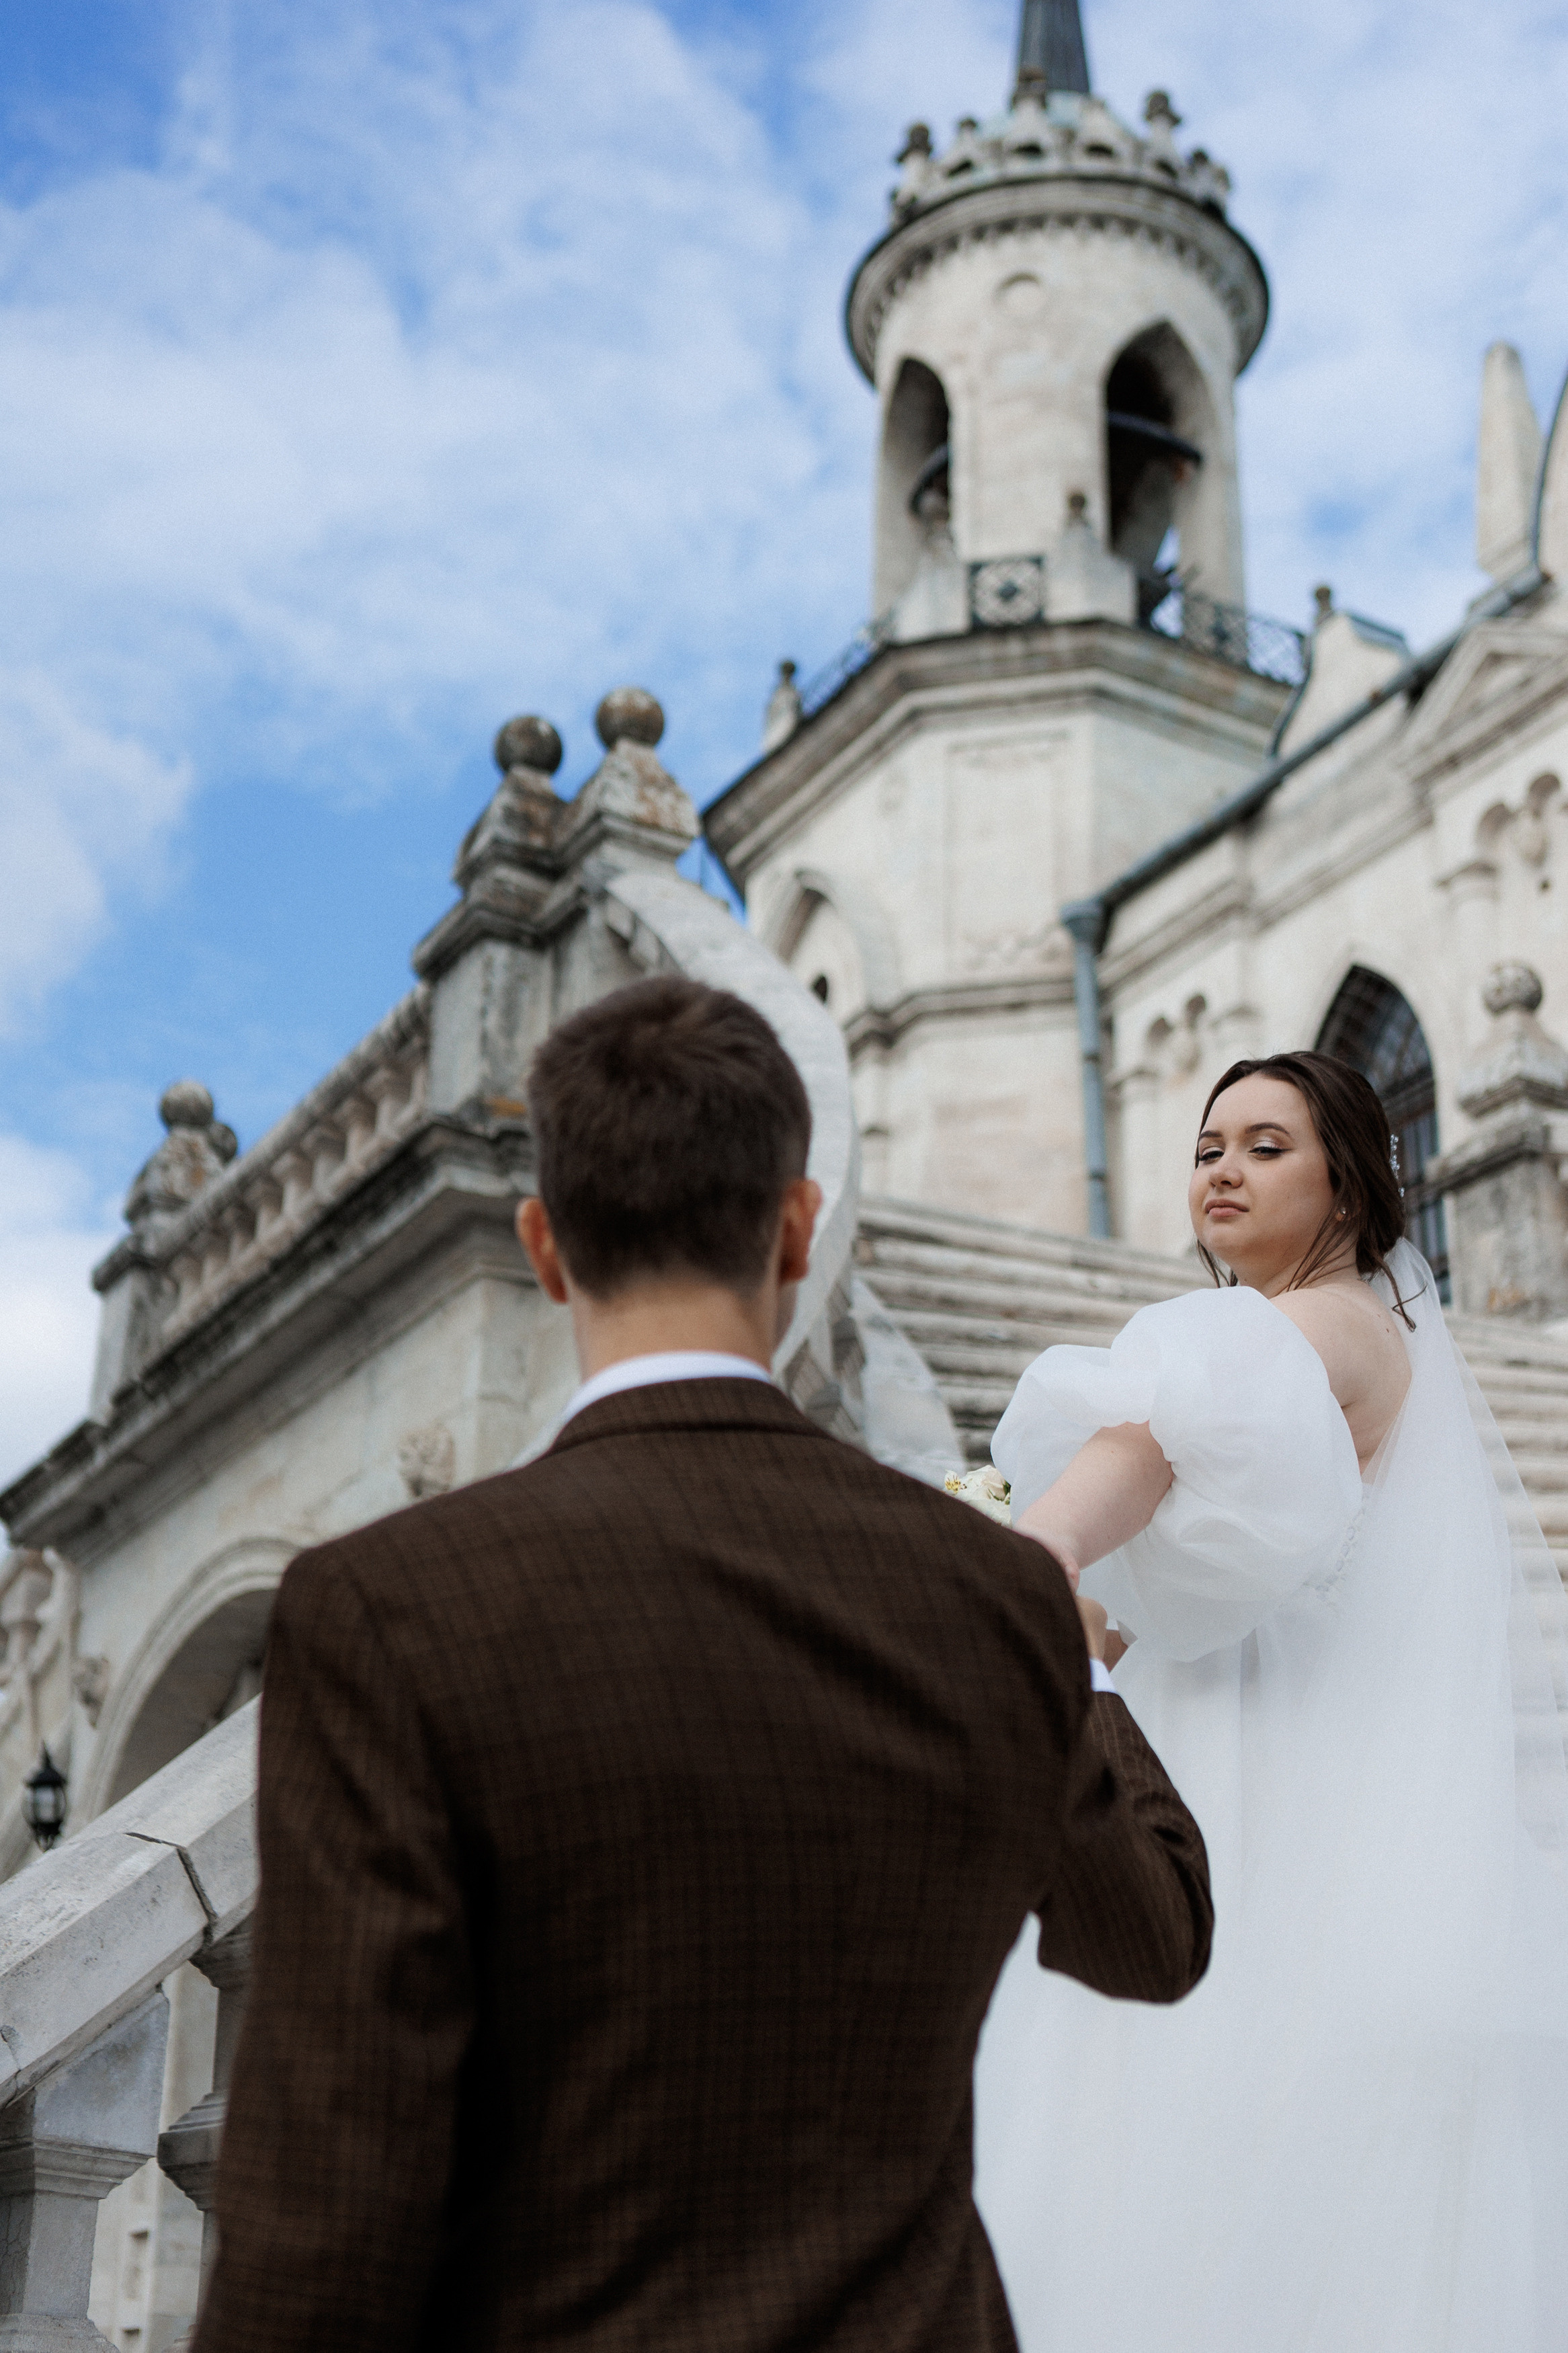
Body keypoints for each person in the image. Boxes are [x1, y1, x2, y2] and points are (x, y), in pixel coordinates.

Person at [195, 974, 1212, 2353]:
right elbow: (1152, 1940)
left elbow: (323, 2203)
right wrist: (1077, 1667)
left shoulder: (383, 1606)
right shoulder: (993, 1598)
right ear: (800, 1229)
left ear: (546, 1244)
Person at [974, 1051, 1568, 2353]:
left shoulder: (1296, 1329)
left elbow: (1143, 1450)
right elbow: (1191, 1571)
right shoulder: (1346, 1338)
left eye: (1264, 1146)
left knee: (1180, 2113)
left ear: (1347, 1184)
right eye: (1205, 1149)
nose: (1222, 1171)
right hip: (1288, 1763)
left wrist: (1032, 1552)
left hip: (1261, 1785)